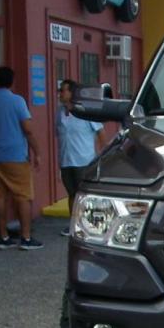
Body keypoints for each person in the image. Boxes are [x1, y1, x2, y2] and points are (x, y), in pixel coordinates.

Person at [0, 65, 44, 250]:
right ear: (12, 81)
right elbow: (27, 130)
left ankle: (3, 236)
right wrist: (37, 152)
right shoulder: (17, 101)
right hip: (14, 155)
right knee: (23, 196)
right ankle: (26, 237)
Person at [54, 79, 112, 236]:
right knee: (72, 194)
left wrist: (102, 154)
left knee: (85, 195)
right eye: (60, 90)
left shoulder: (85, 111)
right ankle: (73, 224)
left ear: (72, 93)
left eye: (63, 90)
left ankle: (89, 225)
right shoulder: (59, 112)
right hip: (66, 160)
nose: (60, 93)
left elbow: (100, 133)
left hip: (84, 160)